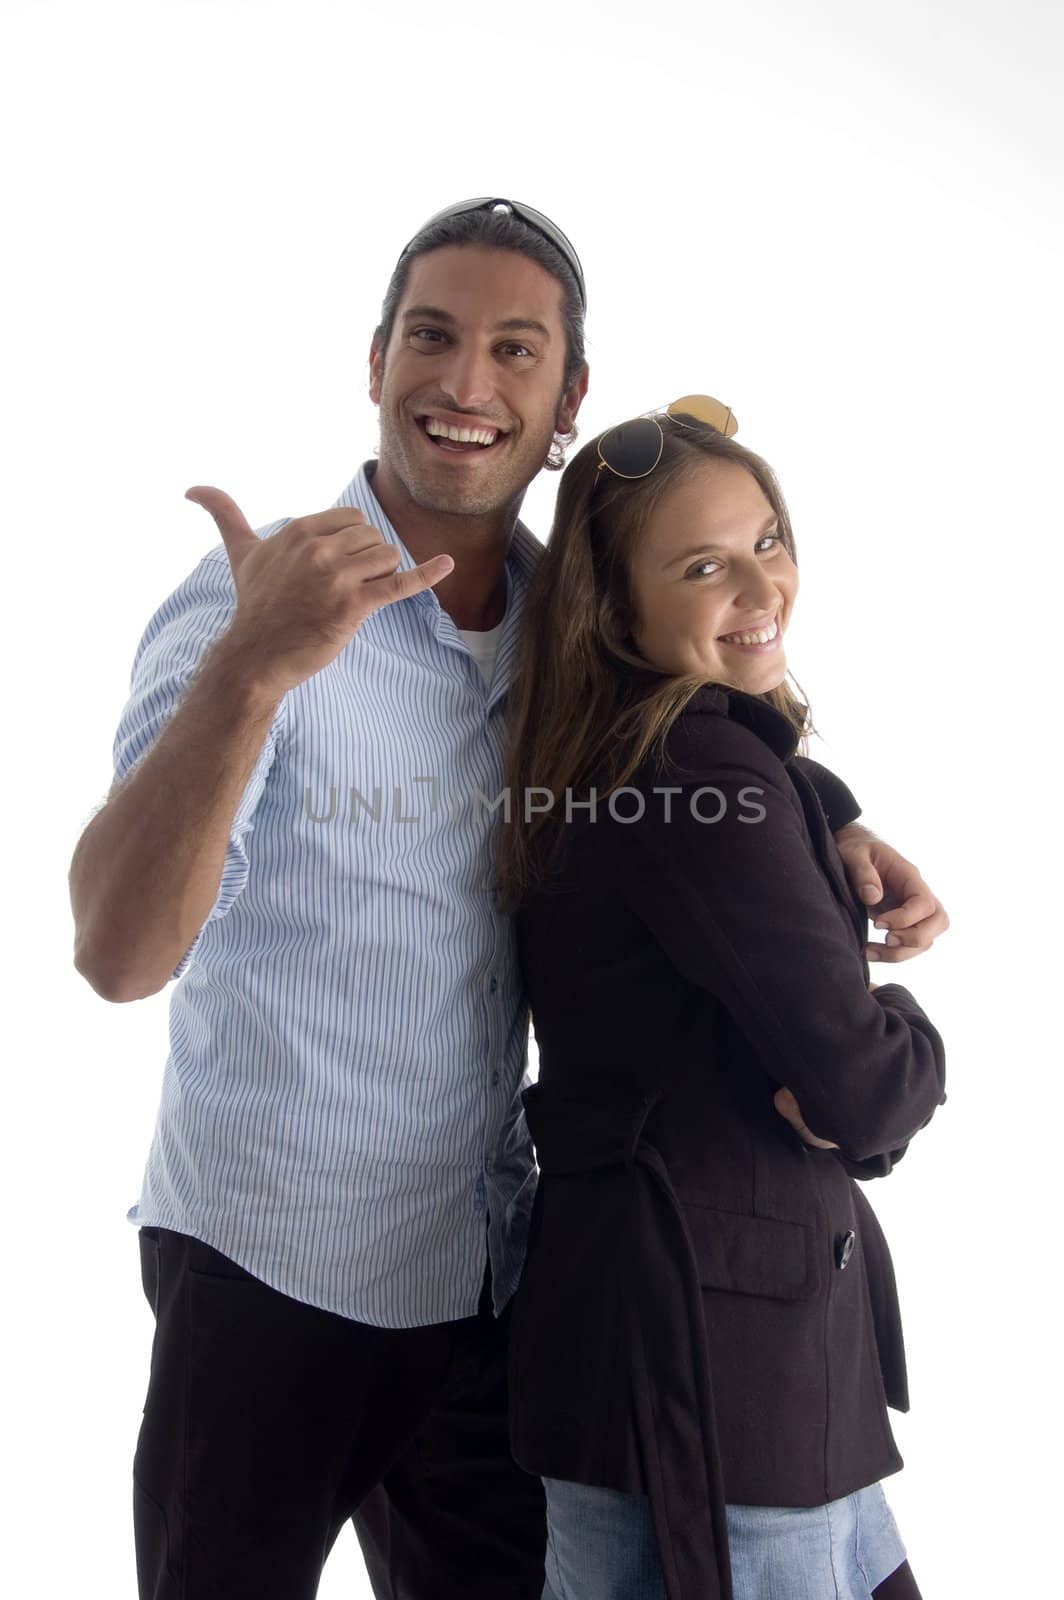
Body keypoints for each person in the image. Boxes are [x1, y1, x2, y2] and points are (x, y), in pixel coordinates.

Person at [67, 200, 947, 1600]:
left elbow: (690, 745)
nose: (467, 385)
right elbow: (117, 954)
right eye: (433, 338)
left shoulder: (574, 623)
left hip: (489, 1277)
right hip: (267, 1265)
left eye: (515, 352)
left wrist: (827, 822)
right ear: (374, 363)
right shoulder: (250, 599)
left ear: (565, 401)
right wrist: (254, 669)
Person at [498, 399, 947, 1600]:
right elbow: (859, 1088)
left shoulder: (636, 750)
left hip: (697, 1348)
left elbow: (754, 771)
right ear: (615, 602)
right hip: (713, 1359)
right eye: (702, 565)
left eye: (767, 540)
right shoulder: (696, 771)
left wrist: (832, 809)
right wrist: (909, 1035)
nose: (759, 587)